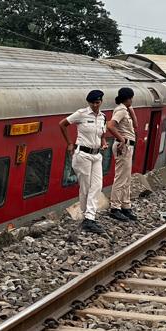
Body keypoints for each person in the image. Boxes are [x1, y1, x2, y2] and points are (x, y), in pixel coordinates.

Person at [60, 89, 107, 233]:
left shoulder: (103, 117)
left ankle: (89, 218)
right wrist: (69, 143)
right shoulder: (81, 113)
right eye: (92, 103)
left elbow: (102, 134)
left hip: (96, 155)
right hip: (83, 155)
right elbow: (62, 124)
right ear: (89, 103)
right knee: (86, 187)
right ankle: (88, 218)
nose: (95, 105)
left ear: (101, 102)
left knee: (97, 185)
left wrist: (103, 142)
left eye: (97, 102)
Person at [106, 86, 138, 222]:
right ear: (128, 98)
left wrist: (130, 108)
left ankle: (125, 205)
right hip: (123, 146)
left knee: (126, 178)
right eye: (131, 99)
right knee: (120, 178)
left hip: (128, 146)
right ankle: (115, 207)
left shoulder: (125, 110)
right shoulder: (120, 110)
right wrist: (121, 139)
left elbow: (136, 125)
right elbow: (110, 125)